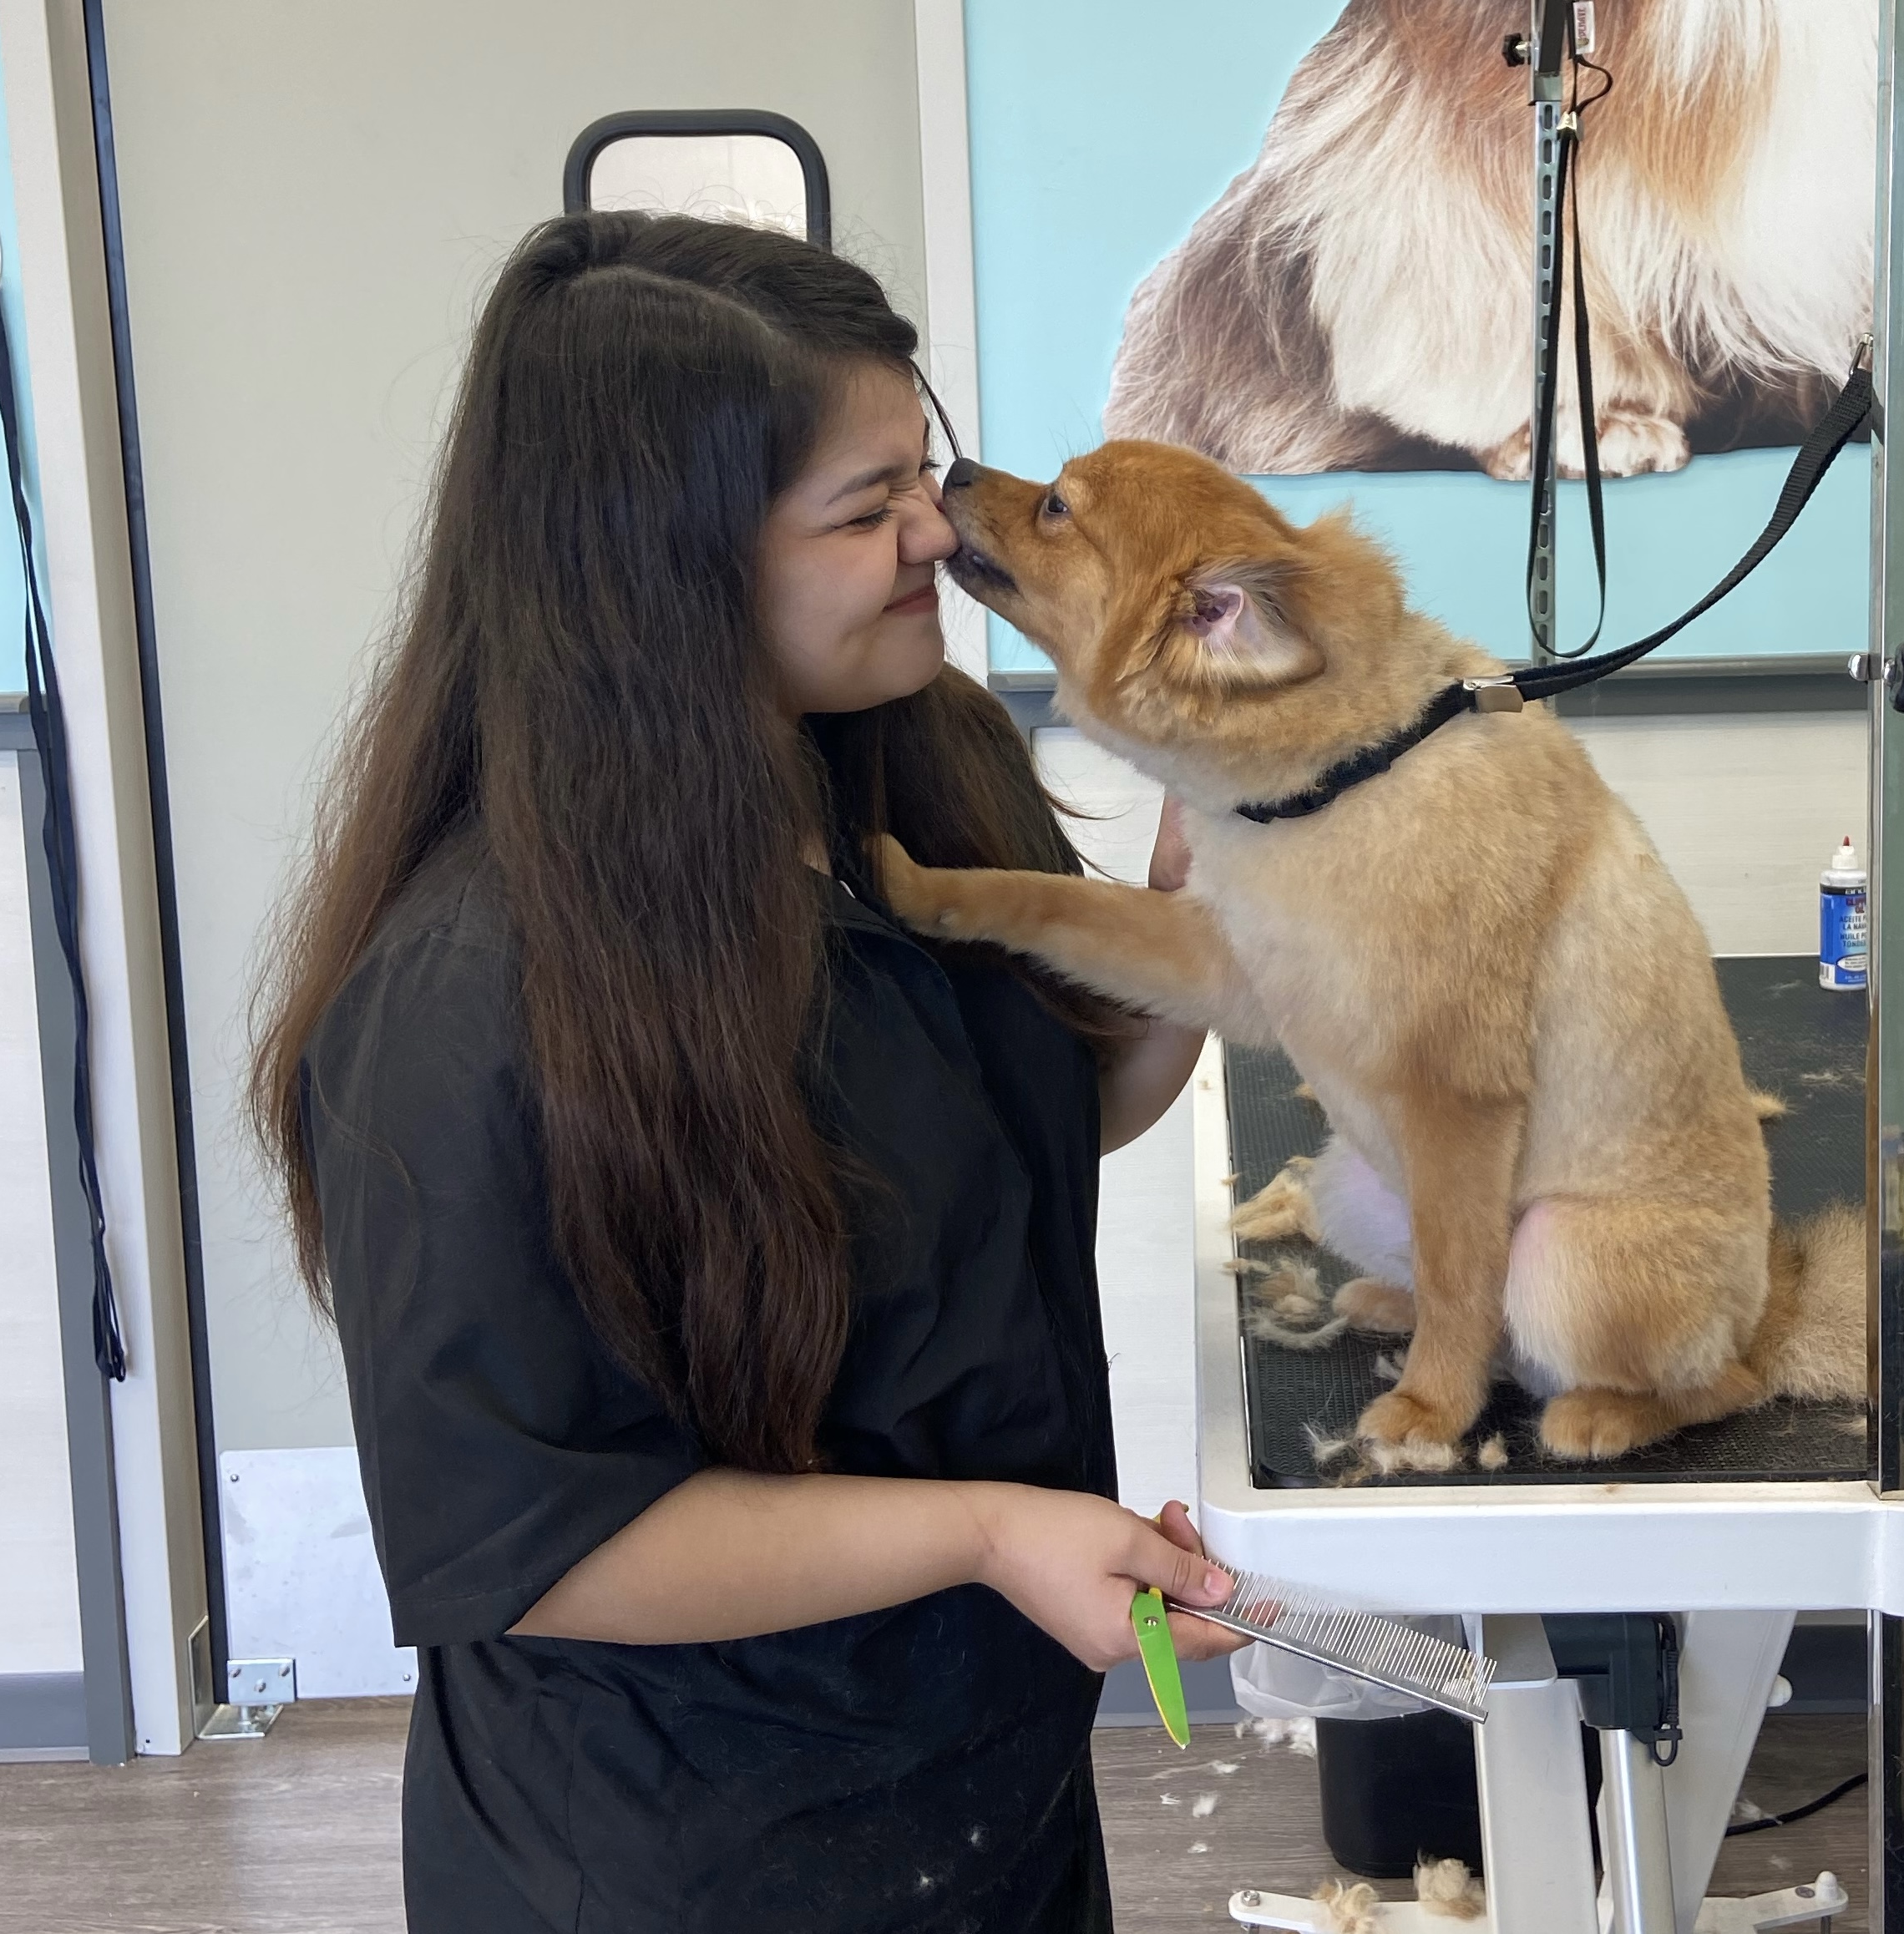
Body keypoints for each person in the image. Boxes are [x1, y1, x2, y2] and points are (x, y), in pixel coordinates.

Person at [249, 210, 1242, 1933]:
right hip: (682, 1851)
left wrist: (1198, 912)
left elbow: (1040, 1122)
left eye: (919, 474)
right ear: (660, 563)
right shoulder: (469, 1007)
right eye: (866, 509)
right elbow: (540, 1548)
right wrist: (991, 1533)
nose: (939, 531)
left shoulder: (906, 763)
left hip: (977, 1777)